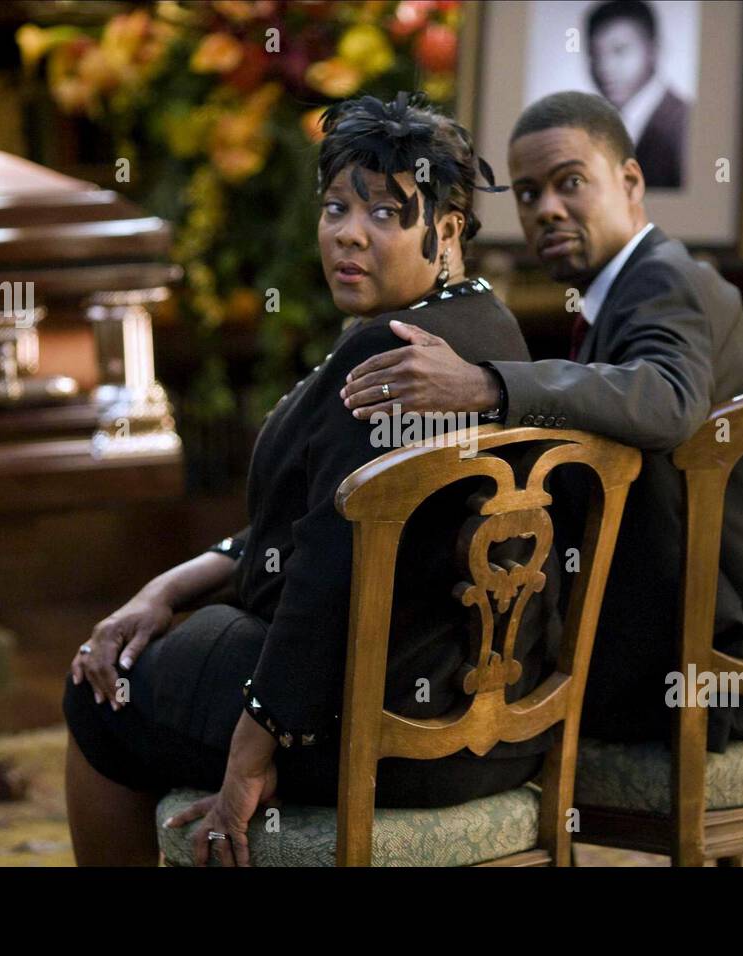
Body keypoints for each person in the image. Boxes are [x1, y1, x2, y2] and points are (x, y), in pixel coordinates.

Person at [62, 93, 559, 867]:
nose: (348, 235)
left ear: (449, 229)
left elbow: (328, 577)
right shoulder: (491, 334)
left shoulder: (395, 361)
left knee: (97, 694)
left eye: (387, 215)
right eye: (334, 208)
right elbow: (311, 527)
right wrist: (170, 587)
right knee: (168, 644)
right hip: (498, 729)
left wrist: (254, 749)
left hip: (372, 731)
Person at [340, 91, 743, 755]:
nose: (546, 209)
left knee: (458, 696)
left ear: (630, 182)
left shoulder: (666, 279)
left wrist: (485, 384)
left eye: (570, 182)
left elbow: (666, 399)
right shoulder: (630, 288)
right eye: (528, 193)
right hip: (696, 641)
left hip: (722, 662)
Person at [585, 0, 688, 189]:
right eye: (595, 54)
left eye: (620, 51)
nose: (604, 67)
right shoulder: (596, 127)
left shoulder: (683, 125)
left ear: (654, 50)